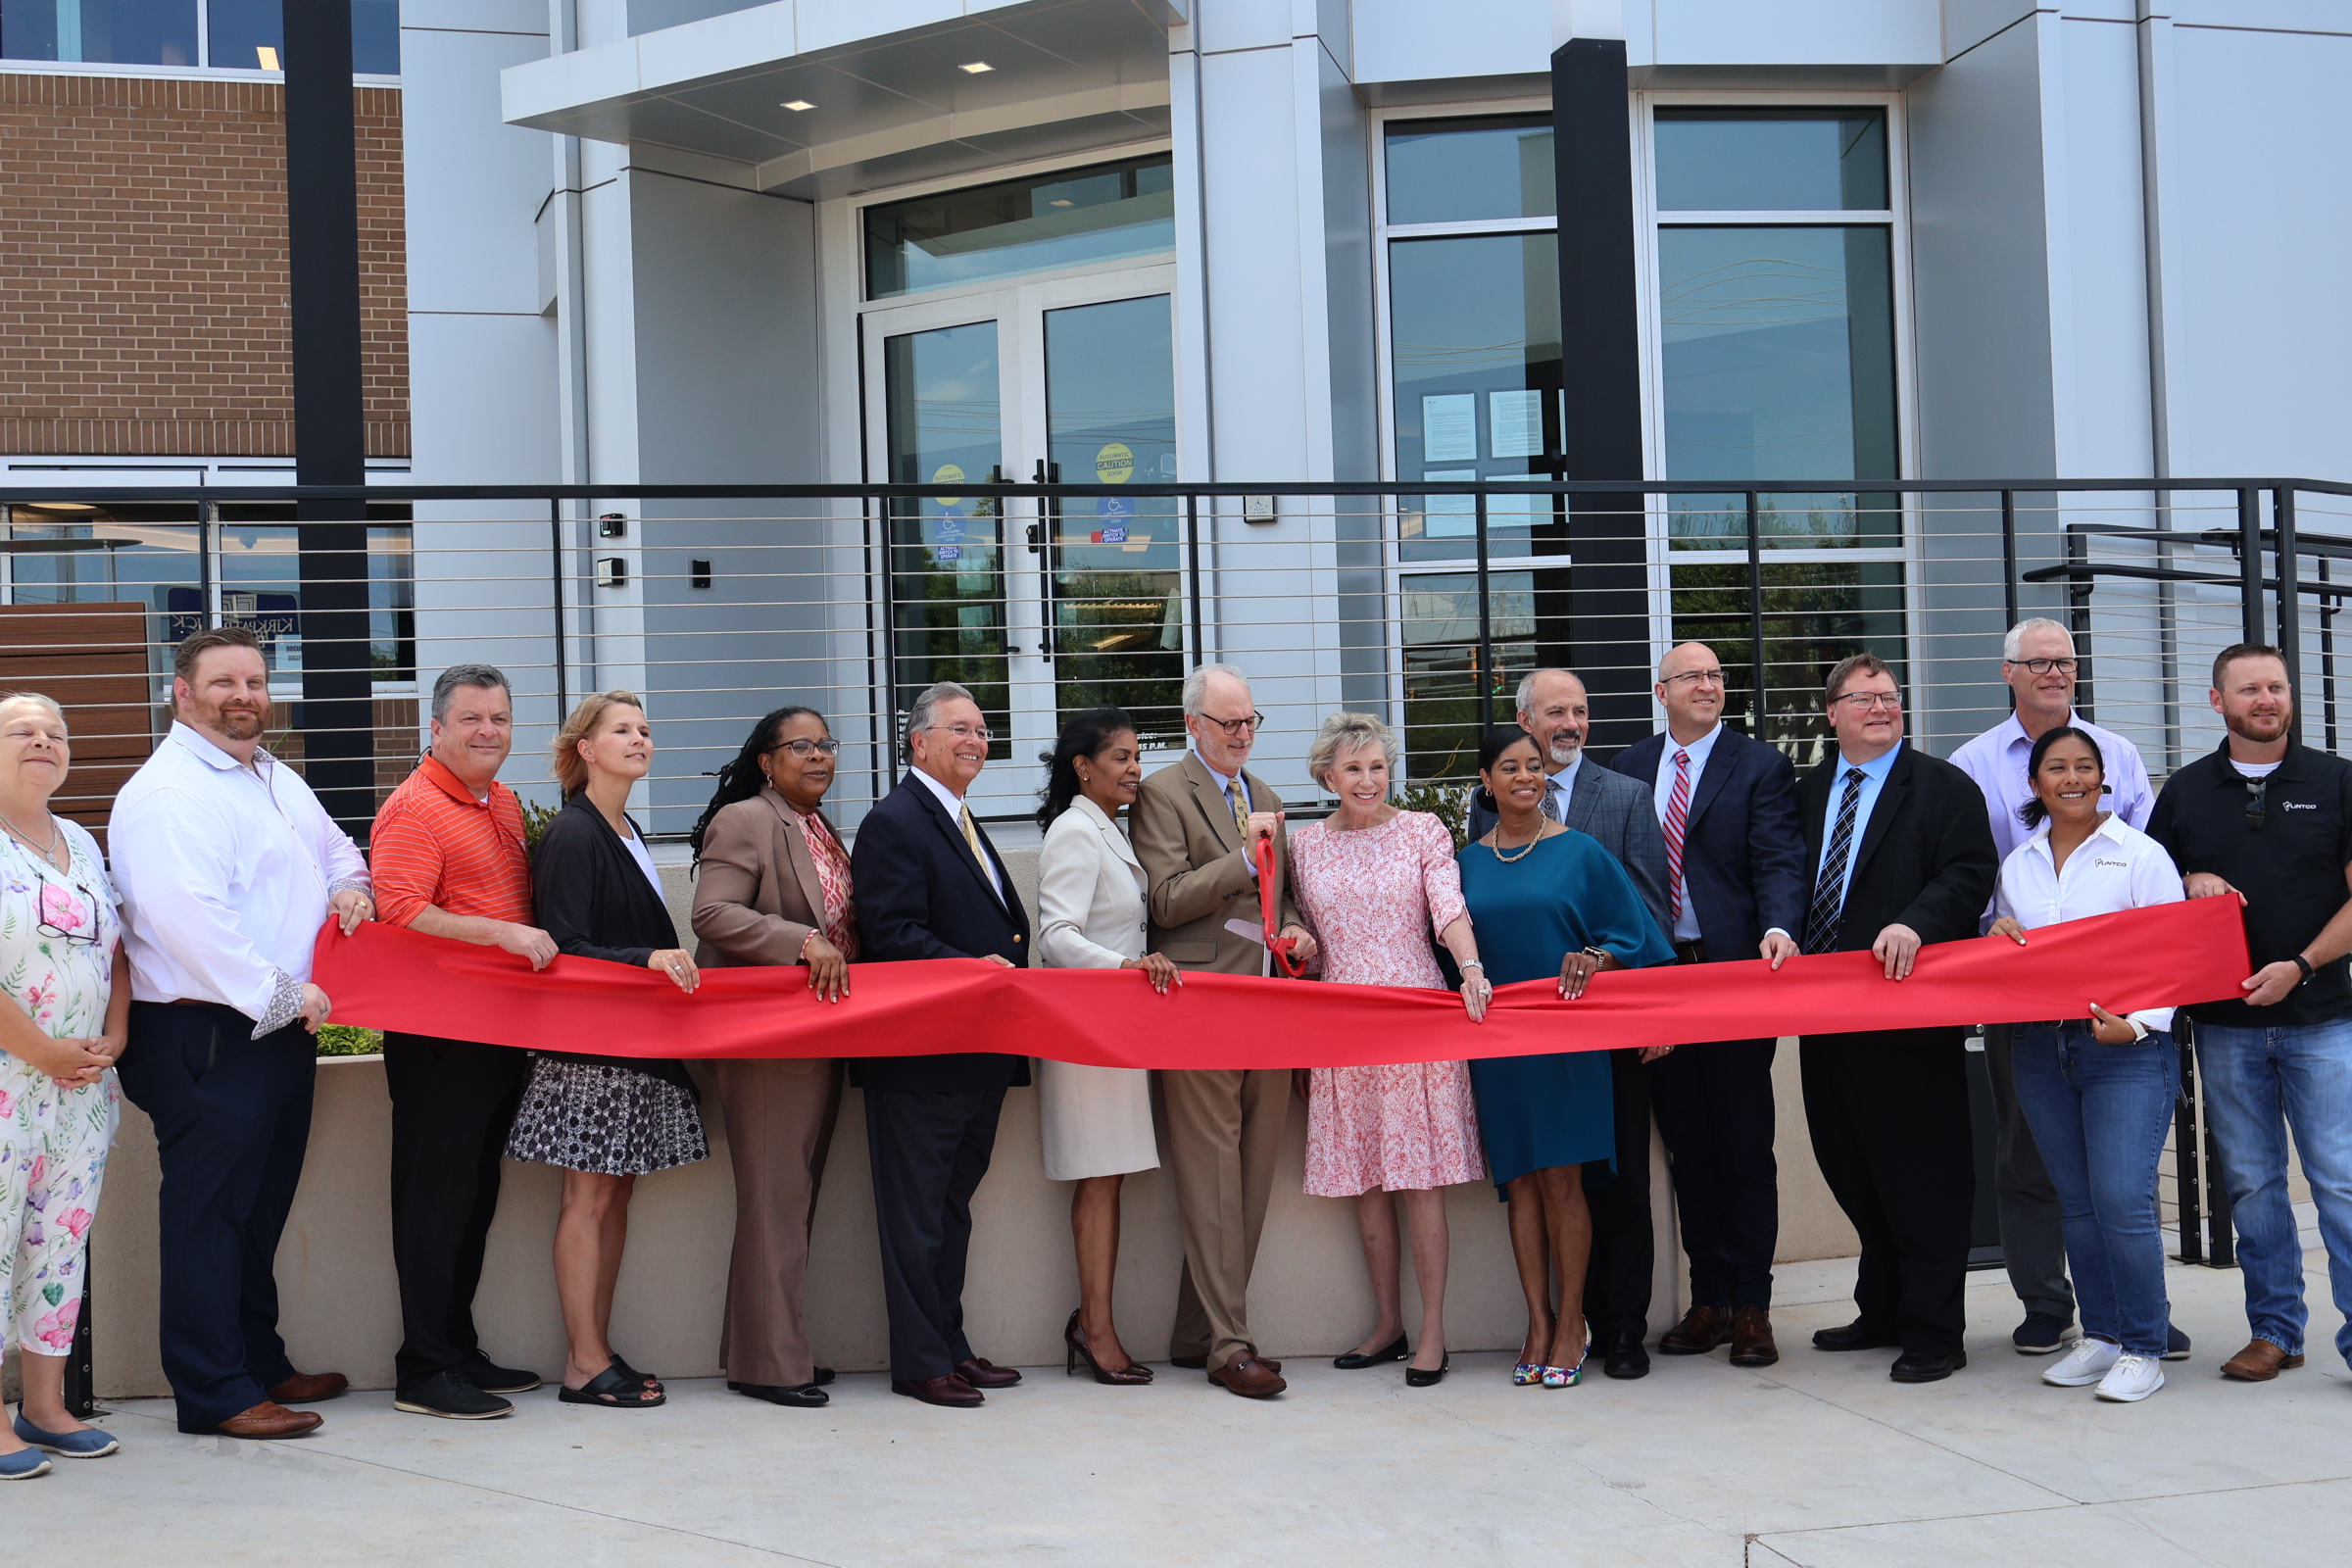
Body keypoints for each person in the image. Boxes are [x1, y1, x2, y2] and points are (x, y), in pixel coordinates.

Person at [109, 626, 369, 1439]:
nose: (244, 696)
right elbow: (189, 922)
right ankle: (215, 1390)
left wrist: (351, 885)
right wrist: (284, 995)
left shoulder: (269, 776)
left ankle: (257, 1358)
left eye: (254, 681)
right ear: (180, 693)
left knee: (257, 1210)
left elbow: (331, 847)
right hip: (206, 1032)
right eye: (223, 682)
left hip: (278, 1026)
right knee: (208, 1215)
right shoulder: (169, 794)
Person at [1950, 617, 2162, 1358]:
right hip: (2025, 1004)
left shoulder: (2124, 753)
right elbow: (1973, 877)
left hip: (2119, 1005)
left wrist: (2145, 1010)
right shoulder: (1972, 763)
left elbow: (2149, 884)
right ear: (2007, 671)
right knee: (2029, 1158)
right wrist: (1989, 935)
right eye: (2036, 662)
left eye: (2064, 661)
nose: (2053, 672)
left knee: (2117, 1183)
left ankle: (2138, 1316)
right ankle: (2047, 1304)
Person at [2148, 643, 2352, 1385]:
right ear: (2216, 702)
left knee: (2339, 1182)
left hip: (2325, 1019)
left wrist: (2300, 966)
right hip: (2224, 1028)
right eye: (2249, 689)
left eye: (2276, 687)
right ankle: (2275, 1331)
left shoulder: (2337, 781)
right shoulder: (2187, 792)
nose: (2265, 699)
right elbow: (2147, 891)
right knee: (2255, 1187)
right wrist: (2188, 875)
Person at [1795, 653, 1999, 1383]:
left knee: (1923, 1176)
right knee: (1851, 1165)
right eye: (1864, 698)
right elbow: (1793, 875)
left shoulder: (1944, 788)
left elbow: (1970, 874)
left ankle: (1934, 1332)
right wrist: (1783, 928)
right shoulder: (1809, 791)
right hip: (1823, 1012)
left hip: (1908, 1013)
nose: (1881, 708)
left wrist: (1918, 921)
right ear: (1833, 713)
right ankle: (1880, 1308)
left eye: (1890, 697)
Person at [1466, 665, 1672, 1380]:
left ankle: (1576, 1323)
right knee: (1518, 1184)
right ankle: (1538, 1322)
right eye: (1510, 768)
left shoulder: (1582, 852)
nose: (1525, 777)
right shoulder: (1464, 863)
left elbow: (1639, 936)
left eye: (1534, 766)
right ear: (1486, 783)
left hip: (1570, 1041)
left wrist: (1597, 958)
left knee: (1565, 1184)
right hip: (1499, 1049)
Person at [506, 691, 707, 1410]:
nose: (639, 739)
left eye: (646, 729)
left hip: (633, 1043)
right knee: (588, 1197)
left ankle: (598, 1351)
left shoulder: (626, 831)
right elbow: (567, 945)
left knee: (614, 1192)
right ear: (585, 749)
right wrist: (647, 959)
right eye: (621, 730)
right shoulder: (574, 834)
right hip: (591, 1049)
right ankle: (584, 1362)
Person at [1609, 643, 1805, 1368]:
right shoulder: (1627, 768)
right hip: (1658, 981)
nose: (1708, 685)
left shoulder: (1759, 765)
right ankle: (1710, 1299)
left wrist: (1780, 928)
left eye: (1716, 676)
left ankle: (1753, 1306)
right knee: (1688, 1149)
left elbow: (1779, 858)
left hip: (1732, 978)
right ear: (1660, 690)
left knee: (1744, 1148)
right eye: (1692, 676)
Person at [368, 663, 555, 1420]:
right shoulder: (415, 807)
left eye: (500, 719)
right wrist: (501, 934)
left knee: (473, 1198)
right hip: (439, 1034)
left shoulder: (500, 800)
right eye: (472, 719)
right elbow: (401, 910)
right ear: (435, 728)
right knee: (434, 1202)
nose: (488, 732)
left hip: (496, 1030)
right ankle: (424, 1369)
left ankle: (456, 1347)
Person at [1129, 662, 1317, 1399]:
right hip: (1199, 1002)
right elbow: (1167, 901)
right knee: (1211, 1176)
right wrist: (1241, 858)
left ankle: (1194, 1330)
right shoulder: (1162, 794)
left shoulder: (1266, 797)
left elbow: (1285, 903)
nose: (1243, 735)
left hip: (1267, 1003)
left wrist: (1298, 936)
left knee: (1248, 1178)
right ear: (1193, 725)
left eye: (1250, 722)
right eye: (1229, 723)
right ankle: (1230, 1347)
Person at [1290, 712, 1489, 1388]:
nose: (1368, 780)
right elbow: (1299, 925)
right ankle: (1386, 1323)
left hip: (1413, 1020)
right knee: (1366, 1184)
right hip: (1342, 1025)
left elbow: (1448, 907)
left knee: (1419, 1183)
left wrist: (1469, 968)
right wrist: (1300, 941)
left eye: (1377, 766)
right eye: (1353, 769)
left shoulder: (1422, 831)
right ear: (1328, 777)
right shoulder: (1306, 846)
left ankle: (1432, 1330)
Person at [1989, 725, 2185, 1403]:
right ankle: (2101, 1337)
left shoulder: (2141, 856)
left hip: (2127, 1052)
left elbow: (2172, 956)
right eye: (2056, 768)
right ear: (2035, 783)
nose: (2071, 778)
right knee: (2075, 1204)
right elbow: (2012, 950)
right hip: (2043, 1050)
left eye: (2084, 767)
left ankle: (2144, 1345)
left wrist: (2136, 1025)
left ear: (2105, 779)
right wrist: (1998, 936)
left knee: (2122, 1203)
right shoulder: (2019, 864)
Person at [851, 680, 1032, 1409]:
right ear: (918, 740)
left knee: (951, 1211)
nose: (976, 741)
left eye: (984, 731)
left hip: (978, 1052)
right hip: (921, 1058)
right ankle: (919, 1361)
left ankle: (950, 1348)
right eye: (961, 728)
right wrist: (968, 970)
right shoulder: (894, 821)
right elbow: (891, 935)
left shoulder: (960, 818)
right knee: (915, 1217)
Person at [689, 705, 856, 1411]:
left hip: (818, 1036)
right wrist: (801, 940)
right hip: (765, 1045)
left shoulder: (818, 826)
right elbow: (712, 913)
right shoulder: (748, 820)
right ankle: (769, 1364)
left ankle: (771, 1345)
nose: (818, 756)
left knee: (791, 1200)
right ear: (766, 759)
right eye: (801, 746)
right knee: (774, 1202)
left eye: (826, 745)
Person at [0, 693, 129, 1477]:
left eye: (55, 732)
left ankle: (45, 1407)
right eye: (21, 732)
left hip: (81, 1089)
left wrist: (116, 1034)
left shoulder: (79, 839)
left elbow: (115, 950)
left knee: (60, 1240)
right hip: (11, 1081)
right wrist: (42, 1051)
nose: (42, 742)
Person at [1033, 707, 1180, 1386]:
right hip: (1086, 1030)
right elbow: (1056, 936)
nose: (1134, 769)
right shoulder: (1074, 830)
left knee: (1110, 1178)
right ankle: (1095, 1330)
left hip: (1117, 1028)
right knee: (1100, 1179)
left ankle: (1091, 1322)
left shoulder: (1108, 829)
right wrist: (1125, 969)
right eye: (1118, 757)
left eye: (1136, 756)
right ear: (1082, 767)